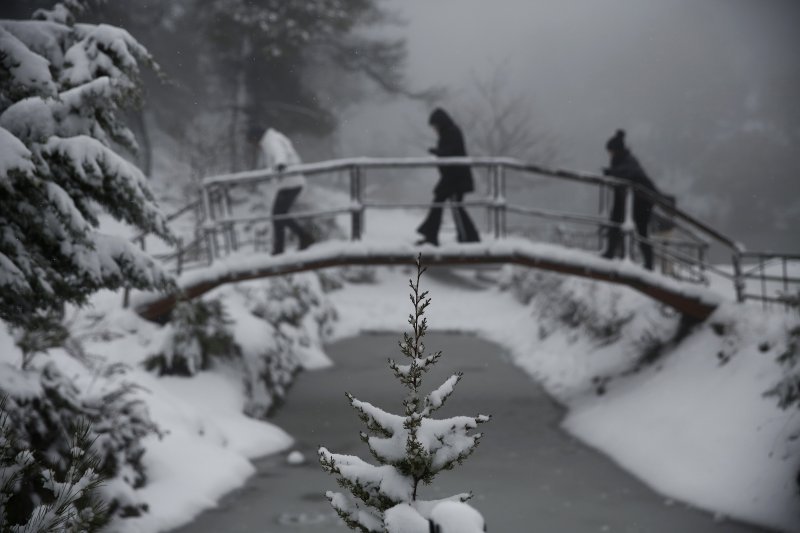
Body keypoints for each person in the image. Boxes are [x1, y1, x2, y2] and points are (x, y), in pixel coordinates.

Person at [416, 108, 481, 246]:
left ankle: (466, 236)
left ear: (440, 123)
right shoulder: (449, 132)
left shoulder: (451, 132)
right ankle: (434, 234)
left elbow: (450, 153)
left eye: (434, 126)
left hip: (456, 178)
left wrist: (437, 151)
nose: (434, 129)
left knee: (450, 205)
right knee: (449, 205)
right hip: (453, 178)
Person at [601, 129, 658, 270]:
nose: (609, 153)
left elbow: (630, 173)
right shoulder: (621, 159)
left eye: (610, 151)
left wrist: (611, 173)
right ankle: (610, 252)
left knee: (641, 231)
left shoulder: (628, 160)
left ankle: (649, 263)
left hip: (641, 201)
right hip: (629, 199)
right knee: (616, 223)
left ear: (616, 150)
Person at [258, 128, 314, 255]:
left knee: (278, 215)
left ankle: (282, 247)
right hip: (291, 181)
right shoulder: (274, 137)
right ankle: (301, 238)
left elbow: (279, 153)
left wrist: (280, 164)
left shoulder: (270, 140)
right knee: (279, 214)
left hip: (290, 182)